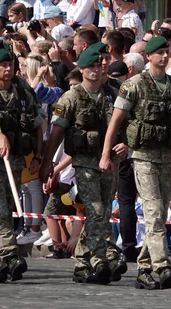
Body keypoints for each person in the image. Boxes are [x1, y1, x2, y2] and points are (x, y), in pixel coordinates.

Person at [99, 36, 171, 290]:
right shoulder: (134, 85)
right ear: (149, 57)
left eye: (167, 52)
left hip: (169, 157)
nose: (164, 57)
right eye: (159, 53)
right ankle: (162, 265)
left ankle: (143, 269)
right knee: (154, 211)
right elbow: (116, 122)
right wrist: (106, 154)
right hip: (142, 157)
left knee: (160, 214)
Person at [40, 45, 121, 284]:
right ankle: (99, 260)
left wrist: (124, 145)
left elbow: (124, 124)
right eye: (91, 67)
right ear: (82, 70)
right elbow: (56, 134)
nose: (97, 70)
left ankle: (83, 263)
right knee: (94, 209)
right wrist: (47, 164)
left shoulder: (112, 94)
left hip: (109, 162)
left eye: (99, 65)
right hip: (84, 162)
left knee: (103, 212)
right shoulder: (71, 97)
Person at [0, 48, 43, 283]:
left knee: (1, 211)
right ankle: (9, 254)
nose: (8, 68)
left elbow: (37, 124)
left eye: (11, 64)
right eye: (2, 65)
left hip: (15, 160)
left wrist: (38, 156)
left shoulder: (23, 90)